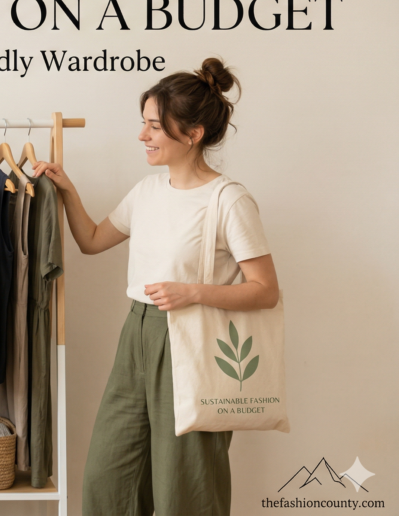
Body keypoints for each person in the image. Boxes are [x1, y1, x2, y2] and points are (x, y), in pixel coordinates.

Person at [34, 57, 279, 515]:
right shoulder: (146, 192)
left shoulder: (229, 200)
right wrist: (67, 189)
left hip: (193, 341)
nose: (142, 135)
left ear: (193, 134)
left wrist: (194, 292)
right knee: (108, 476)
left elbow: (265, 290)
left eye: (154, 126)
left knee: (184, 483)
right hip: (137, 337)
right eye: (143, 124)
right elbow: (90, 241)